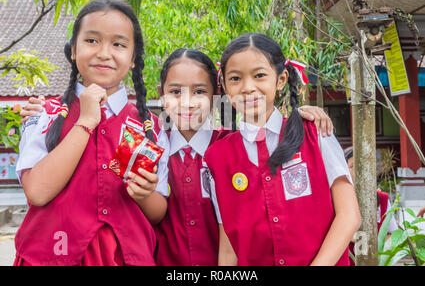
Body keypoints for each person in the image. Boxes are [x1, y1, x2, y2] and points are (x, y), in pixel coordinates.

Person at [20, 50, 336, 266]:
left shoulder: (233, 150)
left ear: (217, 95)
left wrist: (299, 116)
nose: (186, 102)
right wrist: (50, 110)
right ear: (161, 93)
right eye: (174, 91)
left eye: (200, 92)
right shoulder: (141, 142)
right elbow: (100, 162)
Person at [14, 0, 169, 266]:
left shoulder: (149, 128)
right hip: (53, 256)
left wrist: (145, 194)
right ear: (73, 50)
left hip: (126, 257)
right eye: (92, 41)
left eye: (119, 44)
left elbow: (157, 213)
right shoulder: (44, 115)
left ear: (133, 59)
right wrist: (85, 120)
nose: (104, 53)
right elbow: (37, 192)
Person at [204, 33, 361, 266]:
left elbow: (349, 216)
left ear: (280, 80)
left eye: (259, 75)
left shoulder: (314, 134)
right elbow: (229, 247)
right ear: (225, 86)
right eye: (235, 78)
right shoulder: (217, 157)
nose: (247, 87)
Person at [344, 146, 397, 265]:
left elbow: (392, 234)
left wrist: (377, 246)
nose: (360, 170)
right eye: (353, 166)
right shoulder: (336, 200)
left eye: (364, 165)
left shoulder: (382, 199)